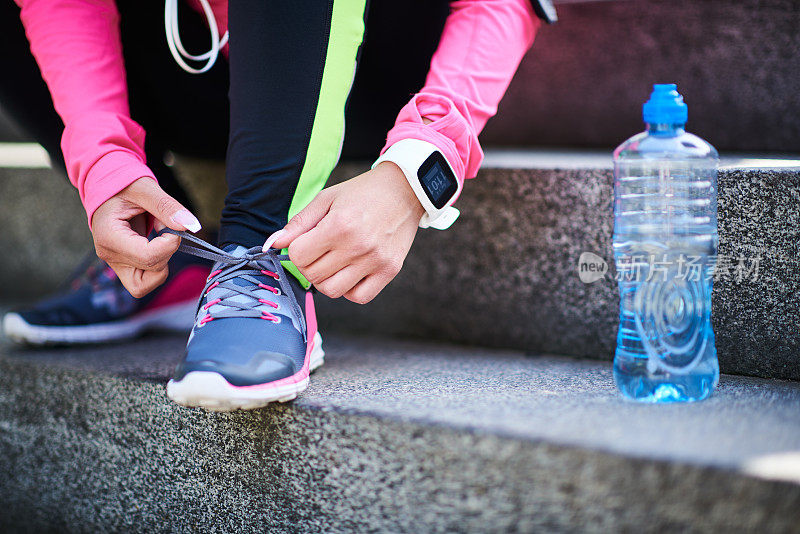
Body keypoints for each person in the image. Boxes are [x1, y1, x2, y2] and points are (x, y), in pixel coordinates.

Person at [1, 0, 553, 410]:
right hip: (192, 68)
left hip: (359, 65)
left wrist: (416, 170)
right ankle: (177, 255)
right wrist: (103, 163)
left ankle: (262, 255)